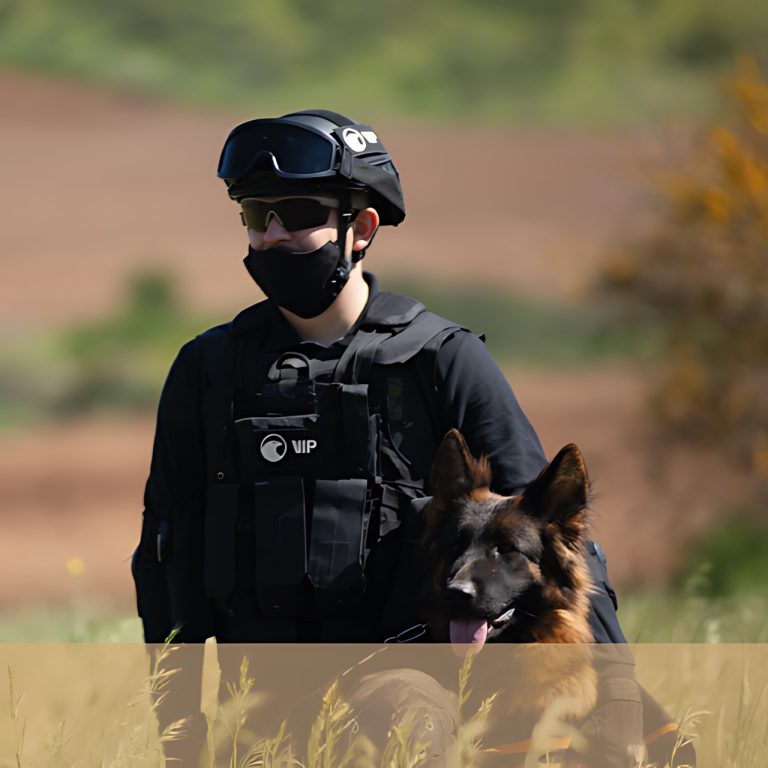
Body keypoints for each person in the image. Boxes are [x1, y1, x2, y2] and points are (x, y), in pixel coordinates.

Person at [132, 110, 647, 766]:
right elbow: (164, 562)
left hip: (406, 692)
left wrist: (618, 722)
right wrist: (181, 737)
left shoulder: (439, 360)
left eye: (297, 213)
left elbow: (551, 536)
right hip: (255, 706)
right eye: (254, 215)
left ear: (362, 227)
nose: (272, 235)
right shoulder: (207, 372)